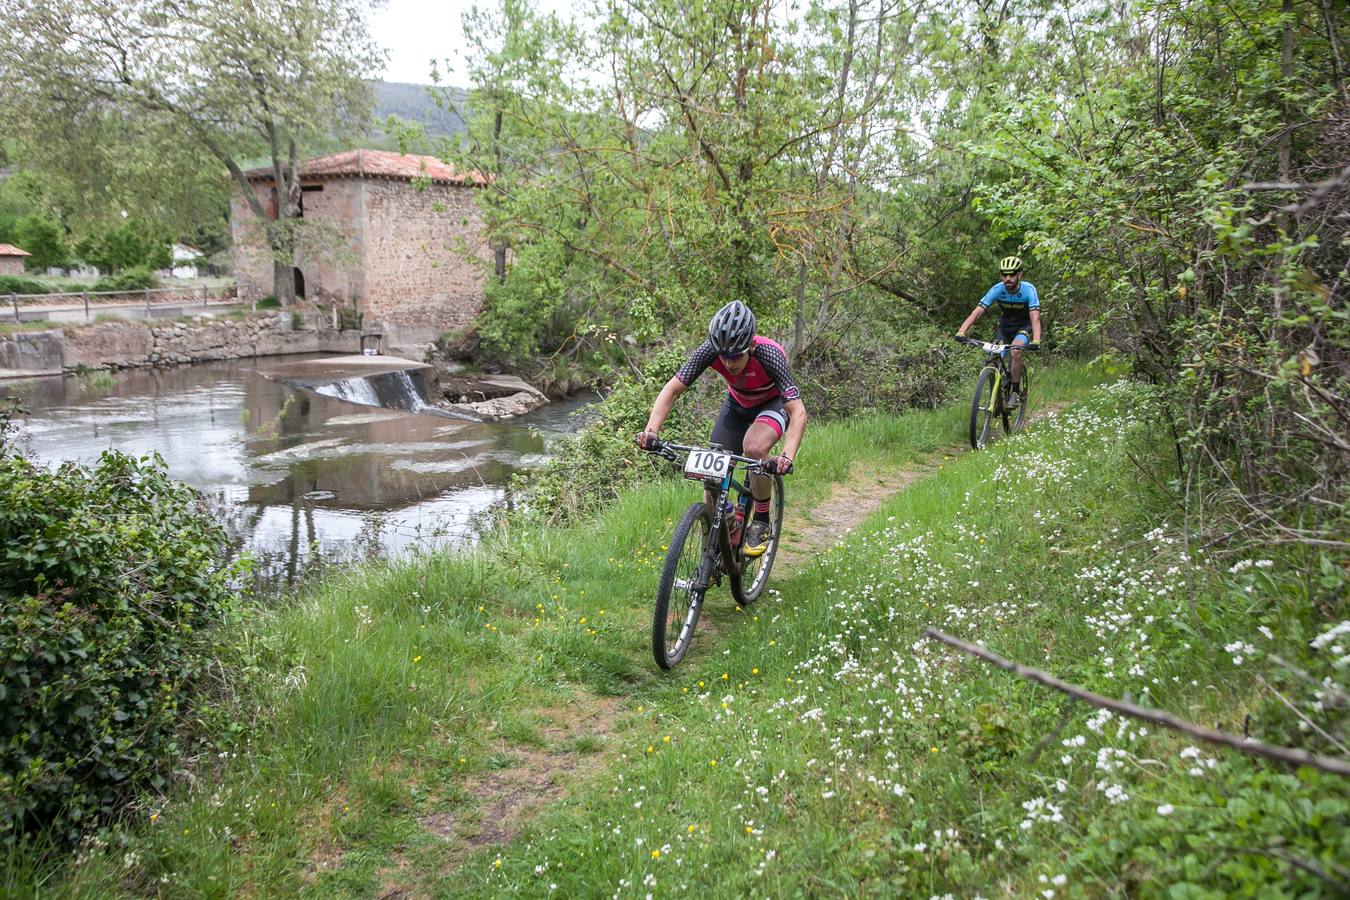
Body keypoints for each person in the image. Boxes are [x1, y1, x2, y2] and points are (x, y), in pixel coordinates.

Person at [636, 301, 808, 558]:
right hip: (737, 405)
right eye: (723, 356)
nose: (728, 363)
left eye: (736, 355)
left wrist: (786, 456)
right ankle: (724, 531)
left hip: (772, 404)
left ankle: (760, 519)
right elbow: (672, 389)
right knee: (712, 475)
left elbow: (798, 412)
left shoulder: (769, 354)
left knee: (754, 447)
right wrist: (651, 431)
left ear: (750, 345)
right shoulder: (711, 350)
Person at [955, 256, 1042, 409]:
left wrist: (1036, 340)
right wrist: (962, 331)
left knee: (1015, 351)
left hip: (1024, 326)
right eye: (1004, 274)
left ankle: (1015, 391)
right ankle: (996, 395)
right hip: (1005, 328)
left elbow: (1035, 317)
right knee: (994, 358)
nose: (1007, 278)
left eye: (1011, 274)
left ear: (1019, 275)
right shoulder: (997, 289)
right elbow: (978, 312)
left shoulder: (1028, 289)